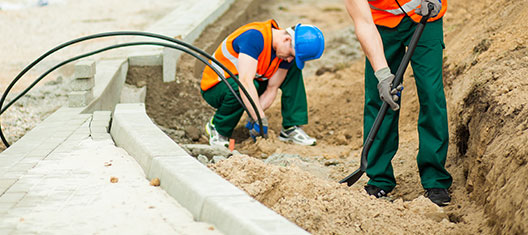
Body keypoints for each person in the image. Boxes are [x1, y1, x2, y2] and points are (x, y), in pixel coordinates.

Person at [344, 0, 452, 206]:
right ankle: (379, 178)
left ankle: (435, 180)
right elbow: (364, 25)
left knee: (431, 94)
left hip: (425, 13)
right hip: (382, 24)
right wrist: (383, 75)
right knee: (379, 97)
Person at [200, 19, 325, 148]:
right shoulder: (254, 37)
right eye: (291, 55)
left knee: (293, 70)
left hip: (249, 84)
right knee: (239, 86)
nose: (289, 59)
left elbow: (272, 88)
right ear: (287, 40)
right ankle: (218, 128)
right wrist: (259, 118)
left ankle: (290, 128)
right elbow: (245, 82)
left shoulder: (283, 51)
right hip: (217, 86)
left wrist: (255, 114)